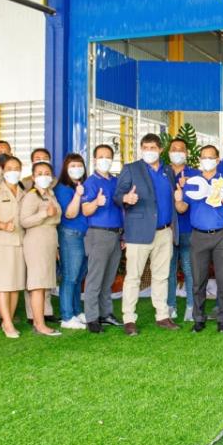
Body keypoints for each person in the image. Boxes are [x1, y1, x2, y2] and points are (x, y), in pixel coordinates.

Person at [114, 133, 182, 335]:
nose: (149, 151)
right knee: (133, 277)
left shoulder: (167, 171)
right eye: (145, 147)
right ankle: (128, 318)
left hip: (164, 232)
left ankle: (162, 315)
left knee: (161, 276)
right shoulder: (131, 169)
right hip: (139, 232)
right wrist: (126, 198)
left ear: (160, 150)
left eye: (153, 148)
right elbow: (118, 195)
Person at [183, 145, 223, 332]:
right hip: (198, 235)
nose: (207, 160)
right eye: (203, 157)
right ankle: (199, 318)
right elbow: (182, 208)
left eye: (210, 157)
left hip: (221, 234)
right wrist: (177, 198)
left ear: (217, 160)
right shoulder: (192, 182)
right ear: (199, 160)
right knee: (198, 279)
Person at [80, 144, 124, 333]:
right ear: (95, 159)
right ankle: (92, 318)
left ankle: (106, 313)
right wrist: (96, 203)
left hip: (115, 234)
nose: (104, 159)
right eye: (101, 156)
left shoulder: (115, 181)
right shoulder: (91, 182)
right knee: (95, 278)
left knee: (108, 278)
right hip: (98, 233)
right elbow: (85, 209)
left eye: (108, 156)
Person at [0, 155, 27, 338]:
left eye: (16, 168)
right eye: (9, 168)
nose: (13, 171)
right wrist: (3, 226)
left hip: (20, 242)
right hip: (1, 242)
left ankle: (6, 319)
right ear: (3, 171)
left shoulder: (24, 192)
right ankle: (8, 323)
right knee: (3, 283)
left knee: (15, 283)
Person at [20, 161, 63, 336]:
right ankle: (39, 324)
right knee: (38, 284)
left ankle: (40, 320)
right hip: (36, 239)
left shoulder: (51, 194)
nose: (44, 176)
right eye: (39, 173)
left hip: (50, 239)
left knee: (44, 284)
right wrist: (45, 213)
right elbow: (25, 221)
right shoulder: (32, 196)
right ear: (33, 176)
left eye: (47, 173)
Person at [55, 153, 89, 330]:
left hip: (85, 235)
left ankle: (76, 311)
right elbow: (69, 214)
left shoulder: (83, 185)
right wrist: (77, 196)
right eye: (72, 166)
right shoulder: (63, 188)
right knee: (70, 276)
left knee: (78, 276)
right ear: (66, 169)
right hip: (70, 235)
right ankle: (67, 316)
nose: (77, 169)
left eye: (79, 165)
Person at [166, 138, 196, 321]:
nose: (177, 152)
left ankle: (191, 307)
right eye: (174, 149)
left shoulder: (194, 174)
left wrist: (189, 185)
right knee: (168, 270)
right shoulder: (162, 172)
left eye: (181, 149)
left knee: (189, 268)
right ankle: (170, 306)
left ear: (186, 153)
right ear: (168, 152)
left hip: (188, 229)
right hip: (167, 230)